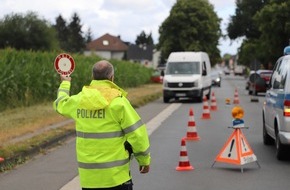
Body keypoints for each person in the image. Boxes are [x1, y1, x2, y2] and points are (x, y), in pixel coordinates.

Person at [53, 60, 151, 190]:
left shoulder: (79, 100)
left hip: (90, 180)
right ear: (111, 78)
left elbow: (60, 104)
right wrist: (144, 161)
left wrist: (65, 82)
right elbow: (137, 134)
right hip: (117, 179)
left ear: (93, 77)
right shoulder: (119, 103)